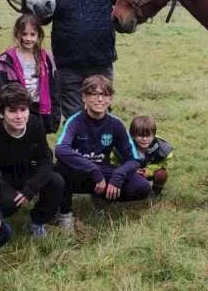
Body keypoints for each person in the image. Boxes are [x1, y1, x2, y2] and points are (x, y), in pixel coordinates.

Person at [42, 0, 123, 118]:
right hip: (68, 65)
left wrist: (125, 24)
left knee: (101, 115)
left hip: (101, 61)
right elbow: (43, 19)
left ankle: (100, 149)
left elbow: (123, 9)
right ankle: (75, 148)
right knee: (75, 118)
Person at [53, 75, 150, 228]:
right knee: (59, 170)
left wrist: (118, 176)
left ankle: (102, 198)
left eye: (105, 95)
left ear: (110, 99)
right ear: (84, 97)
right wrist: (92, 170)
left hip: (103, 170)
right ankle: (65, 213)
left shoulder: (116, 124)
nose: (100, 99)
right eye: (94, 94)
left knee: (142, 187)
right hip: (78, 172)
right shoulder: (75, 121)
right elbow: (61, 149)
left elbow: (135, 159)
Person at [0, 83, 65, 237]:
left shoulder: (35, 124)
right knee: (10, 203)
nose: (20, 116)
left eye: (23, 110)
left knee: (56, 181)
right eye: (12, 111)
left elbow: (46, 158)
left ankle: (38, 222)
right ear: (1, 113)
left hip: (26, 172)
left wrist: (31, 188)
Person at [0, 13, 60, 133]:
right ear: (17, 34)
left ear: (39, 35)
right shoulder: (6, 59)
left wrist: (55, 115)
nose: (28, 38)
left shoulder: (47, 58)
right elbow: (0, 91)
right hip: (18, 111)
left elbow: (54, 88)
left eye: (32, 34)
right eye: (24, 34)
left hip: (40, 110)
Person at [129, 115, 173, 195]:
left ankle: (156, 192)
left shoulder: (160, 148)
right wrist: (131, 170)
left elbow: (162, 163)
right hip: (131, 173)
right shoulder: (126, 146)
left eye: (148, 136)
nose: (145, 139)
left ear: (153, 135)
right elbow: (116, 163)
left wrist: (149, 171)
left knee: (161, 174)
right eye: (141, 136)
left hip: (150, 172)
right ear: (133, 135)